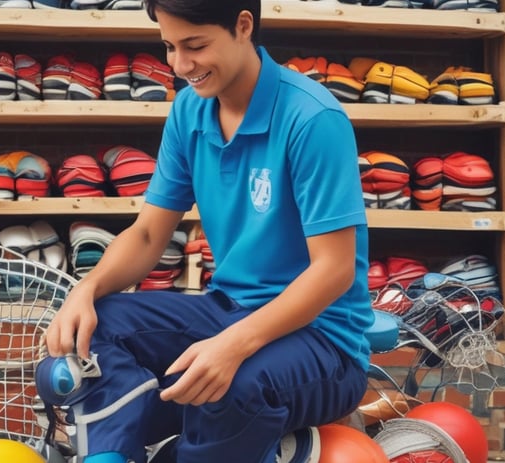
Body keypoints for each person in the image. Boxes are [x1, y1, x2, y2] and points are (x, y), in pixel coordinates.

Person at [39, 0, 374, 461]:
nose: (180, 65)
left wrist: (232, 346)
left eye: (195, 46)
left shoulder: (313, 118)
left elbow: (334, 270)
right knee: (97, 327)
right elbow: (147, 236)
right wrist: (86, 290)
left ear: (242, 26)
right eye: (170, 47)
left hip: (324, 341)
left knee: (231, 382)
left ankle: (188, 439)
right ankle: (117, 451)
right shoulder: (189, 114)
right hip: (227, 309)